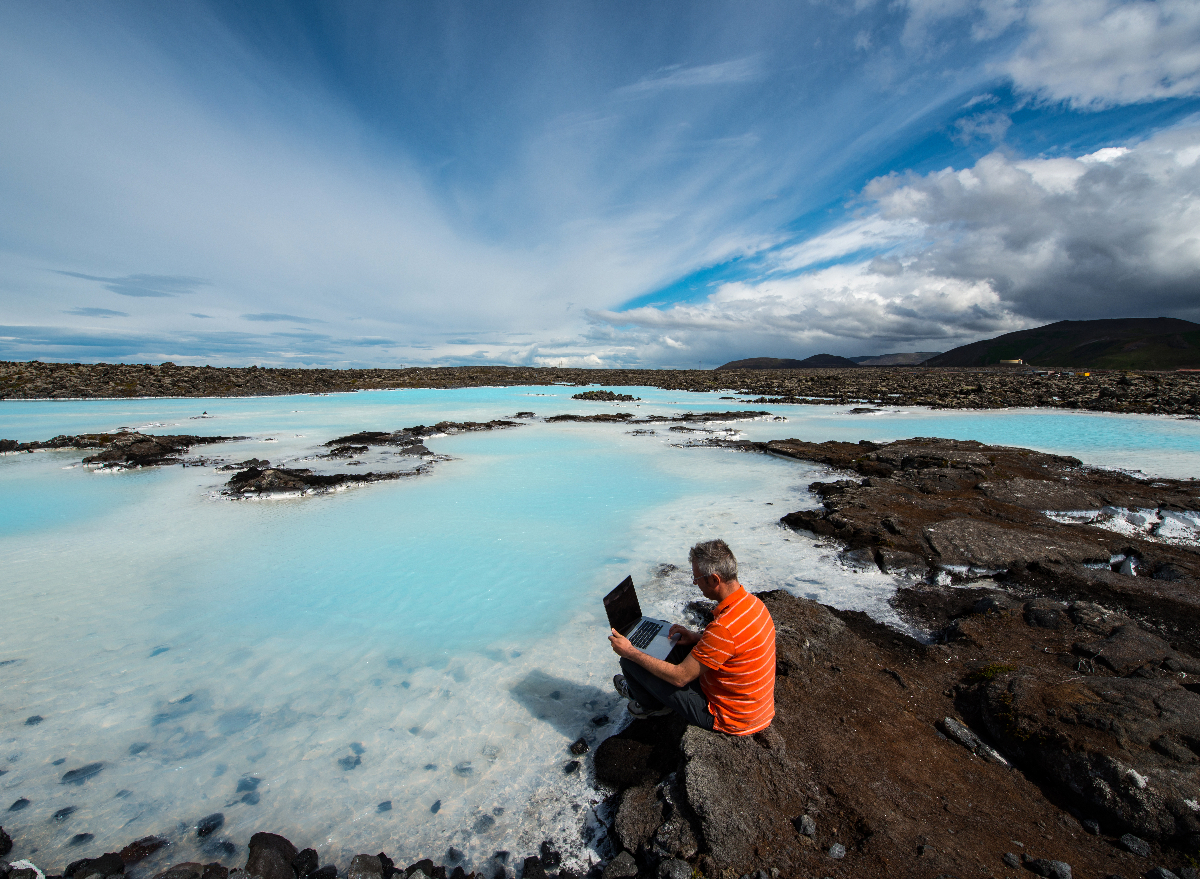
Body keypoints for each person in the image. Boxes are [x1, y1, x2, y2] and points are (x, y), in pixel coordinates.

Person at [608, 539, 775, 735]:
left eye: (697, 579)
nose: (696, 584)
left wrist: (630, 652)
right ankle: (646, 688)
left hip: (731, 718)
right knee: (668, 638)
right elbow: (736, 644)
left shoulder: (723, 629)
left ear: (714, 580)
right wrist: (696, 638)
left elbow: (680, 678)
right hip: (754, 707)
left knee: (630, 662)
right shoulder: (753, 604)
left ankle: (650, 706)